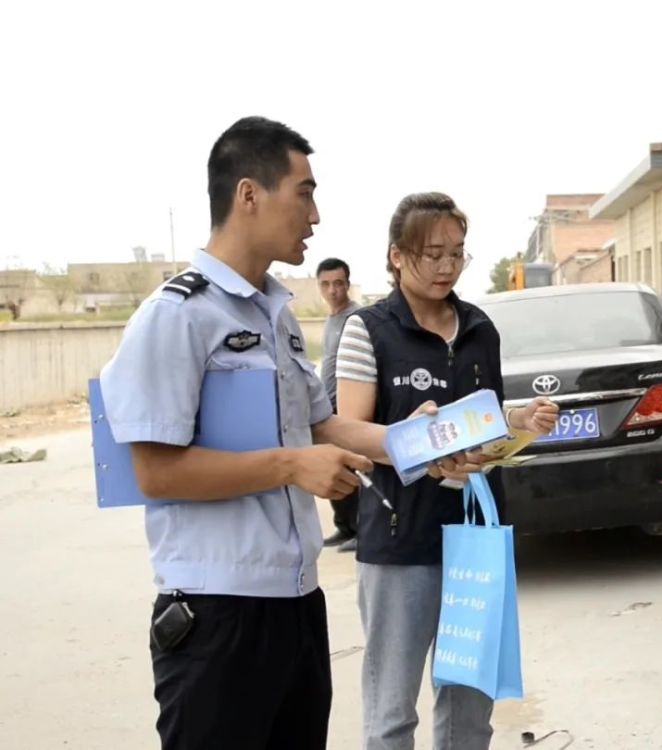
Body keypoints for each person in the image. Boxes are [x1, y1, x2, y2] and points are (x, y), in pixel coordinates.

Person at [99, 118, 473, 750]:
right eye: (304, 192)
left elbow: (322, 426)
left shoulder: (277, 317)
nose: (316, 214)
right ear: (249, 194)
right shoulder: (177, 316)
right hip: (218, 613)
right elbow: (155, 472)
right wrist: (290, 466)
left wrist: (414, 441)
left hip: (296, 604)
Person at [336, 192, 558, 750]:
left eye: (457, 254)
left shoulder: (481, 327)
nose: (445, 267)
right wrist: (415, 441)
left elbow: (480, 417)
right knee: (392, 711)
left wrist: (518, 420)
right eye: (431, 254)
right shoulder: (368, 331)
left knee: (468, 707)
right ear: (395, 256)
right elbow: (344, 431)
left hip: (475, 540)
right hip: (400, 541)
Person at [317, 256, 362, 551]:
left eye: (338, 283)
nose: (333, 290)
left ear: (347, 284)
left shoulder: (357, 318)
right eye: (326, 284)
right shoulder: (331, 320)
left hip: (348, 408)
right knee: (334, 470)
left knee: (356, 471)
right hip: (326, 406)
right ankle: (344, 527)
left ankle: (361, 530)